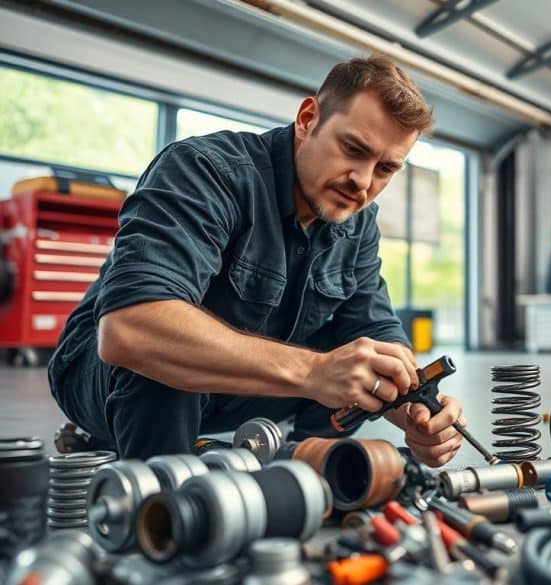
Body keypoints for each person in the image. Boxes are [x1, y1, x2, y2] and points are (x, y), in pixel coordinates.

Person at [47, 56, 464, 466]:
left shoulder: (357, 222)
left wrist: (412, 404)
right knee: (163, 361)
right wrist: (314, 372)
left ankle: (303, 477)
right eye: (353, 148)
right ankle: (169, 506)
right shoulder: (205, 171)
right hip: (104, 373)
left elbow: (374, 327)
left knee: (357, 360)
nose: (363, 181)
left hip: (236, 389)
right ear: (307, 119)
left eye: (385, 168)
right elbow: (130, 331)